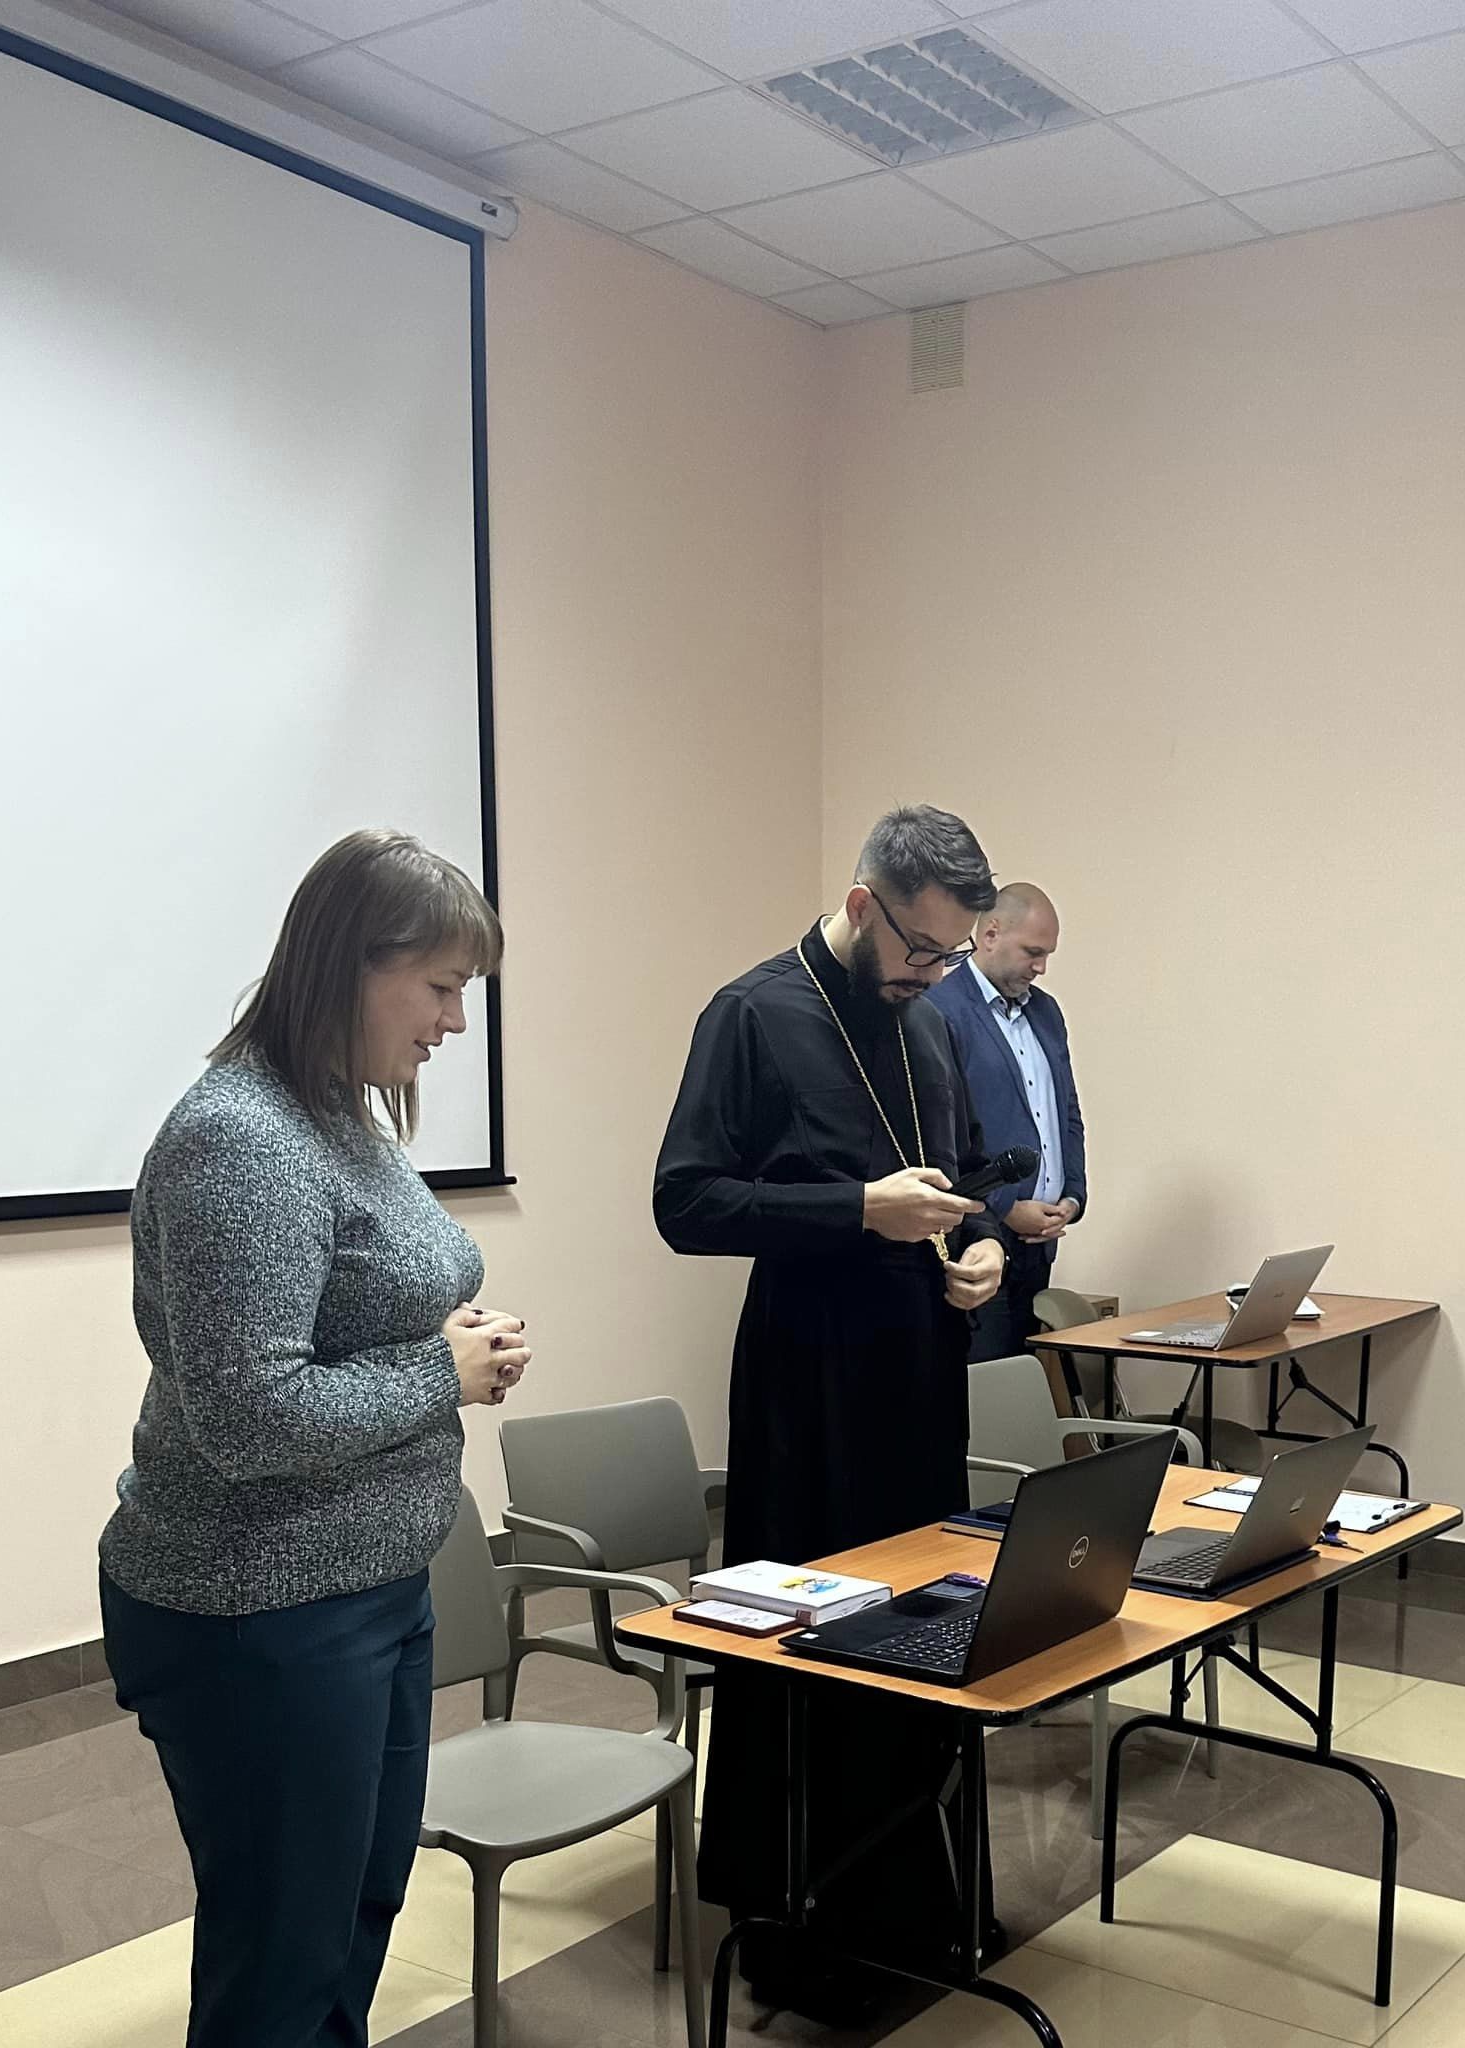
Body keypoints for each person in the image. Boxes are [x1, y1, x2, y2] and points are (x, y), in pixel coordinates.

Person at [98, 828, 529, 2048]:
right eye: (439, 986)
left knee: (350, 1916)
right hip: (259, 1605)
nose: (453, 1019)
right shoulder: (240, 1138)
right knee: (281, 1955)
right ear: (352, 964)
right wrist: (439, 1370)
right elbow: (250, 1416)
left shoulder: (337, 1114)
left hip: (368, 1580)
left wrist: (441, 1339)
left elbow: (345, 1312)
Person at [653, 803, 1006, 2023]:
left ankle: (912, 1903)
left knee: (922, 1629)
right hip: (806, 1387)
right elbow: (685, 1202)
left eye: (952, 954)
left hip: (919, 1370)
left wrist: (976, 1252)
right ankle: (793, 1925)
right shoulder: (752, 1012)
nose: (933, 974)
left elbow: (960, 1182)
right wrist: (855, 1209)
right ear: (862, 905)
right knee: (814, 1635)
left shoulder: (929, 1018)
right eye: (920, 947)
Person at [929, 882, 1087, 1363]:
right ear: (990, 934)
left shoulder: (1046, 1012)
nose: (1041, 967)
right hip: (977, 1242)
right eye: (1033, 952)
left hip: (1040, 1248)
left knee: (1025, 1382)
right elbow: (940, 1134)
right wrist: (1005, 1206)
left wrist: (1072, 1197)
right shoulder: (940, 1009)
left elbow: (1067, 1112)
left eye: (1047, 955)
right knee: (987, 1386)